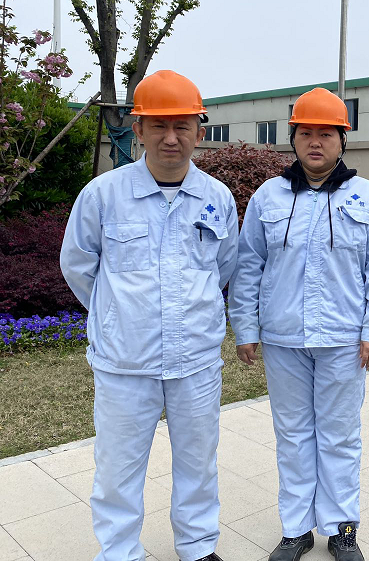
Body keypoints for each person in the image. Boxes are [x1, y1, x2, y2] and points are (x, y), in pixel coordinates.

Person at [60, 70, 238, 561]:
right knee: (117, 468)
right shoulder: (103, 195)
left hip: (196, 361)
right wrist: (118, 315)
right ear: (138, 129)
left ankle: (197, 546)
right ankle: (120, 552)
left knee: (198, 463)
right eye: (158, 125)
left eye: (182, 126)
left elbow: (224, 267)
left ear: (200, 130)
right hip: (125, 363)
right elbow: (78, 265)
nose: (170, 137)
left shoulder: (217, 198)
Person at [229, 87, 369, 561]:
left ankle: (342, 529)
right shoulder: (269, 196)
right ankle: (297, 528)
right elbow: (248, 266)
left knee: (340, 435)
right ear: (294, 139)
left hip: (344, 340)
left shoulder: (365, 196)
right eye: (306, 133)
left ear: (343, 140)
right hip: (283, 339)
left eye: (326, 133)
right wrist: (246, 327)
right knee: (293, 435)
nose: (315, 142)